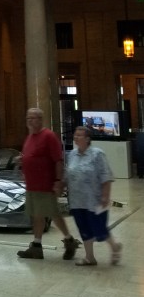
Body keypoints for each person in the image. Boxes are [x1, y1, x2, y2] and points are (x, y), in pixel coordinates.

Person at [17, 107, 80, 261]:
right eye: (28, 118)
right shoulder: (30, 136)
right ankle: (36, 246)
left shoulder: (49, 136)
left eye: (33, 118)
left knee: (53, 214)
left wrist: (58, 181)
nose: (30, 121)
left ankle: (69, 241)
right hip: (32, 184)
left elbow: (58, 160)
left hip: (45, 184)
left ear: (40, 119)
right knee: (37, 215)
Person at [66, 125, 122, 266]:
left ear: (88, 138)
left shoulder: (97, 154)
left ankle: (115, 247)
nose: (76, 137)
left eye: (79, 135)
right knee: (83, 228)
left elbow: (106, 176)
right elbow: (68, 175)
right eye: (75, 135)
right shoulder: (71, 154)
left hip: (94, 200)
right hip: (77, 200)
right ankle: (89, 257)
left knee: (99, 228)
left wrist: (105, 196)